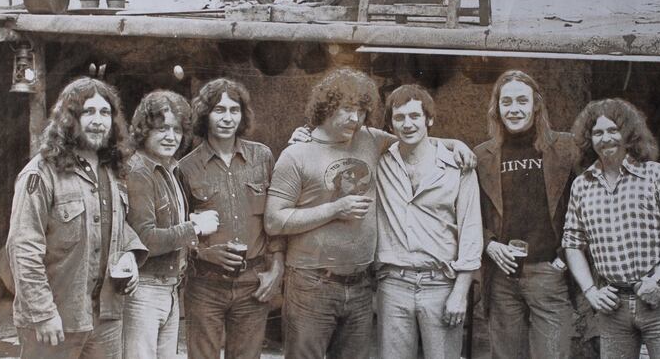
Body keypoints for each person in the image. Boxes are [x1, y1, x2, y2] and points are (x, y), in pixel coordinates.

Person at [269, 68, 475, 359]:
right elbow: (273, 221)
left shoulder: (369, 138)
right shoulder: (296, 154)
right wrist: (334, 209)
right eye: (347, 109)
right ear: (326, 107)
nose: (355, 119)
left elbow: (414, 139)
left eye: (361, 111)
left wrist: (456, 144)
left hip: (360, 286)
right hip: (311, 284)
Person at [6, 77, 147, 359]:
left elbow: (117, 225)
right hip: (56, 319)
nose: (98, 121)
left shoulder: (112, 170)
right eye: (88, 112)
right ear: (70, 119)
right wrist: (43, 313)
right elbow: (23, 248)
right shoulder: (41, 172)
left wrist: (131, 254)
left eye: (105, 113)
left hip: (106, 316)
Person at [562, 98, 660, 358]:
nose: (606, 139)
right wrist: (591, 291)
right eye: (598, 133)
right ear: (589, 139)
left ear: (629, 134)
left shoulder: (655, 174)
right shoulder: (582, 185)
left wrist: (659, 280)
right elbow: (572, 242)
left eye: (613, 130)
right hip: (613, 306)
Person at [178, 78, 284, 359]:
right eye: (219, 110)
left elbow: (275, 222)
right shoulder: (185, 168)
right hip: (204, 285)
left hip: (253, 283)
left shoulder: (262, 157)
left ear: (242, 114)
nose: (227, 118)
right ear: (205, 114)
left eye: (234, 110)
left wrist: (276, 270)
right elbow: (177, 230)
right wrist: (202, 251)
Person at [474, 70, 577, 359]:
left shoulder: (566, 148)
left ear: (536, 105)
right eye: (506, 102)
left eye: (522, 100)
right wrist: (489, 244)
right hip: (502, 277)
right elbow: (468, 214)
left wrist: (563, 259)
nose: (514, 109)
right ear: (497, 108)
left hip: (549, 273)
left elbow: (585, 207)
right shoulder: (482, 156)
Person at [374, 84, 483, 359]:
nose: (407, 124)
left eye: (415, 116)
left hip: (441, 285)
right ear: (390, 124)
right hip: (393, 285)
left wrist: (461, 292)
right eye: (400, 118)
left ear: (429, 120)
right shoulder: (380, 161)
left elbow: (471, 232)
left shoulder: (459, 166)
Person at [122, 90, 219, 358]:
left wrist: (188, 222)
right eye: (162, 128)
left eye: (177, 130)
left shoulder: (171, 168)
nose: (171, 136)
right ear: (144, 130)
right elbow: (145, 239)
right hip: (145, 290)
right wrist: (193, 228)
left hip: (170, 288)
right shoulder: (139, 171)